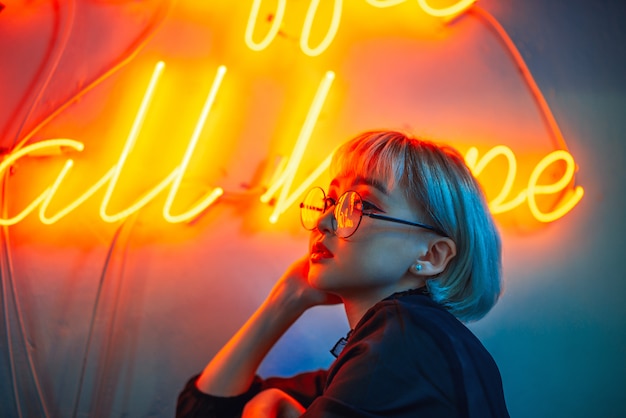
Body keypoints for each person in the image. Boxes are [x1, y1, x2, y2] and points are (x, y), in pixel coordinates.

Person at [176, 130, 510, 417]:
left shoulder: (405, 345)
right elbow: (205, 410)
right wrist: (287, 299)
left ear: (431, 254)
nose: (323, 222)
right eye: (331, 202)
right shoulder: (397, 342)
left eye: (361, 206)